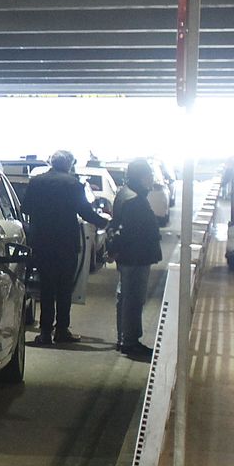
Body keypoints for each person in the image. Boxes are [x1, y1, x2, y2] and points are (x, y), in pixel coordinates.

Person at [22, 149, 109, 345]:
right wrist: (103, 222)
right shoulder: (73, 185)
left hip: (43, 242)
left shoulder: (37, 182)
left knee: (47, 288)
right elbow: (85, 212)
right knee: (63, 288)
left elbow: (25, 208)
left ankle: (44, 332)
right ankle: (61, 330)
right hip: (66, 244)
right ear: (69, 164)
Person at [111, 158, 164, 359]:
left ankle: (123, 337)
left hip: (128, 257)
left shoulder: (124, 194)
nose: (151, 180)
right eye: (149, 175)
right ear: (141, 178)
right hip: (136, 256)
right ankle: (130, 341)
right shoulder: (134, 200)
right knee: (133, 298)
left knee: (124, 296)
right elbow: (131, 231)